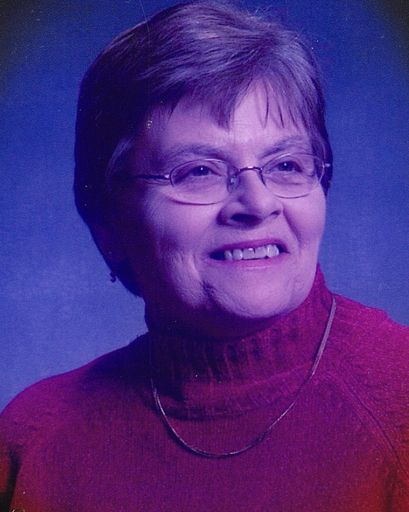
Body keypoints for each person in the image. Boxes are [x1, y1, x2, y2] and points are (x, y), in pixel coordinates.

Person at [1, 1, 408, 510]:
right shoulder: (33, 438)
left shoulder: (399, 398)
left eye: (286, 164)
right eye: (198, 171)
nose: (258, 204)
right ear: (110, 223)